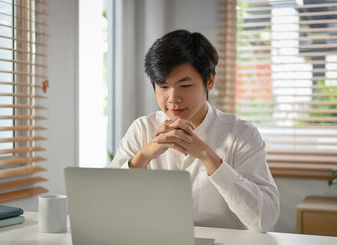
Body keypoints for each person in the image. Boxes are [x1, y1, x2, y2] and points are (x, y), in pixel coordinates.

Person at [110, 29, 279, 232]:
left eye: (185, 85)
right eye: (163, 86)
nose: (172, 98)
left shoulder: (241, 134)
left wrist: (208, 157)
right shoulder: (142, 129)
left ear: (209, 81)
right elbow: (109, 207)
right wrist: (143, 157)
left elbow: (265, 220)